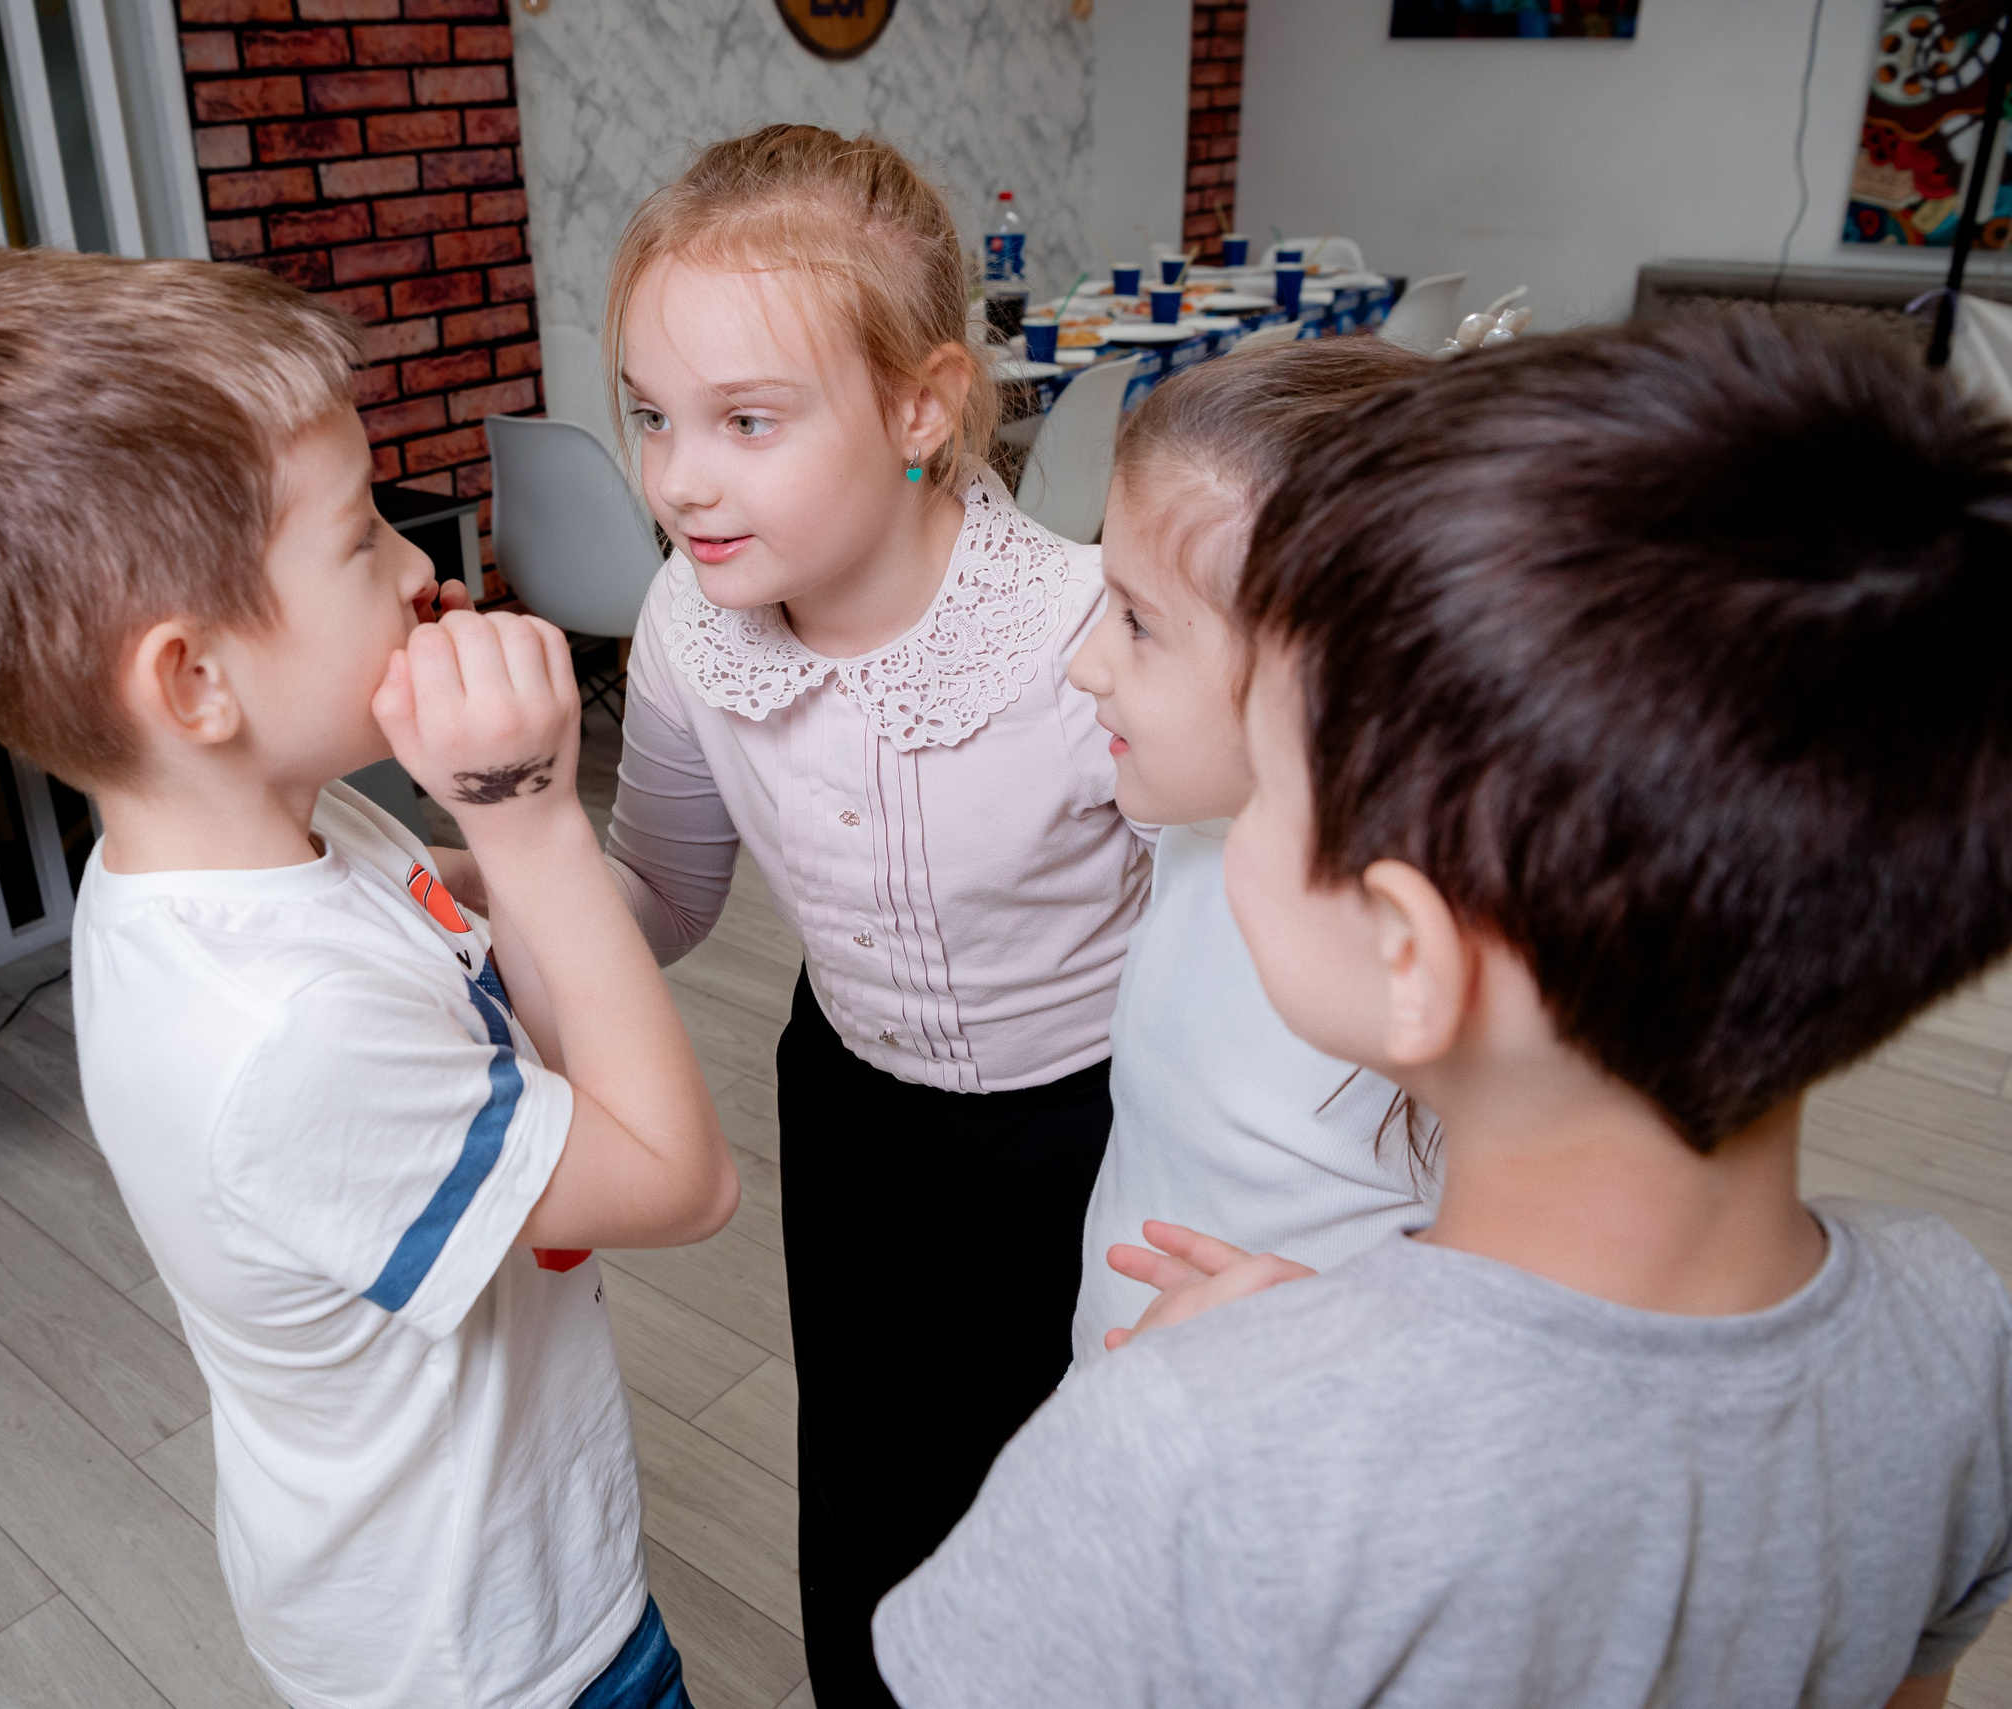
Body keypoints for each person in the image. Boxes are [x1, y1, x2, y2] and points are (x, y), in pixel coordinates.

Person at [872, 310, 2012, 1706]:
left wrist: (1258, 1400)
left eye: (1281, 783)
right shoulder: (1964, 1340)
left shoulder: (1182, 1452)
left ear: (1410, 949)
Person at [0, 247, 740, 1709]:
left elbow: (481, 985)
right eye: (361, 537)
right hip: (493, 1660)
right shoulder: (280, 1032)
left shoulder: (268, 840)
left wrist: (492, 866)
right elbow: (681, 1181)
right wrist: (534, 819)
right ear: (191, 684)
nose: (423, 567)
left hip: (501, 1571)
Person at [586, 124, 1143, 1707]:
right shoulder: (692, 624)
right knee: (879, 1488)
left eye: (747, 419)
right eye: (652, 415)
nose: (682, 476)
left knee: (1078, 1499)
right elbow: (668, 896)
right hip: (854, 1122)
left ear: (921, 407)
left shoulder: (1077, 632)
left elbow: (1230, 934)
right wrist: (499, 892)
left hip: (1094, 1130)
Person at [1063, 336, 1438, 1371]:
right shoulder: (1195, 821)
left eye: (1137, 622)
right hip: (1122, 1377)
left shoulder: (1431, 974)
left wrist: (1347, 1340)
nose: (1085, 660)